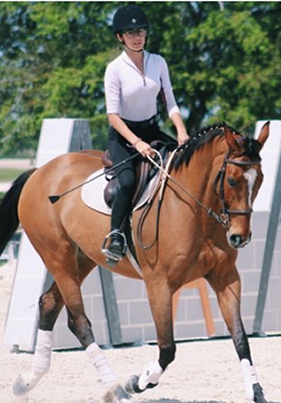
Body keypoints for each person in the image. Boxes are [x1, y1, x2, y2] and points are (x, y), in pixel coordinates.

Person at [102, 4, 190, 265]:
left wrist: (182, 132)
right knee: (128, 182)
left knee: (184, 166)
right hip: (123, 136)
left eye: (140, 31)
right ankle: (116, 236)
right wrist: (137, 143)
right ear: (120, 37)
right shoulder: (114, 69)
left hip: (152, 129)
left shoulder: (158, 62)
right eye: (130, 32)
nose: (137, 36)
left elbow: (170, 102)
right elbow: (113, 116)